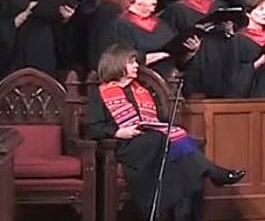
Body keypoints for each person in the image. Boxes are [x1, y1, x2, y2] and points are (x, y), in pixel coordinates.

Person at [87, 44, 244, 221]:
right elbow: (94, 128)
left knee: (180, 142)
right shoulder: (100, 94)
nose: (137, 66)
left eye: (136, 62)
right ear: (116, 64)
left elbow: (158, 121)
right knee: (165, 139)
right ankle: (212, 172)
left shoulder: (142, 91)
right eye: (131, 62)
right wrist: (118, 132)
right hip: (127, 145)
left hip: (155, 142)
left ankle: (183, 211)